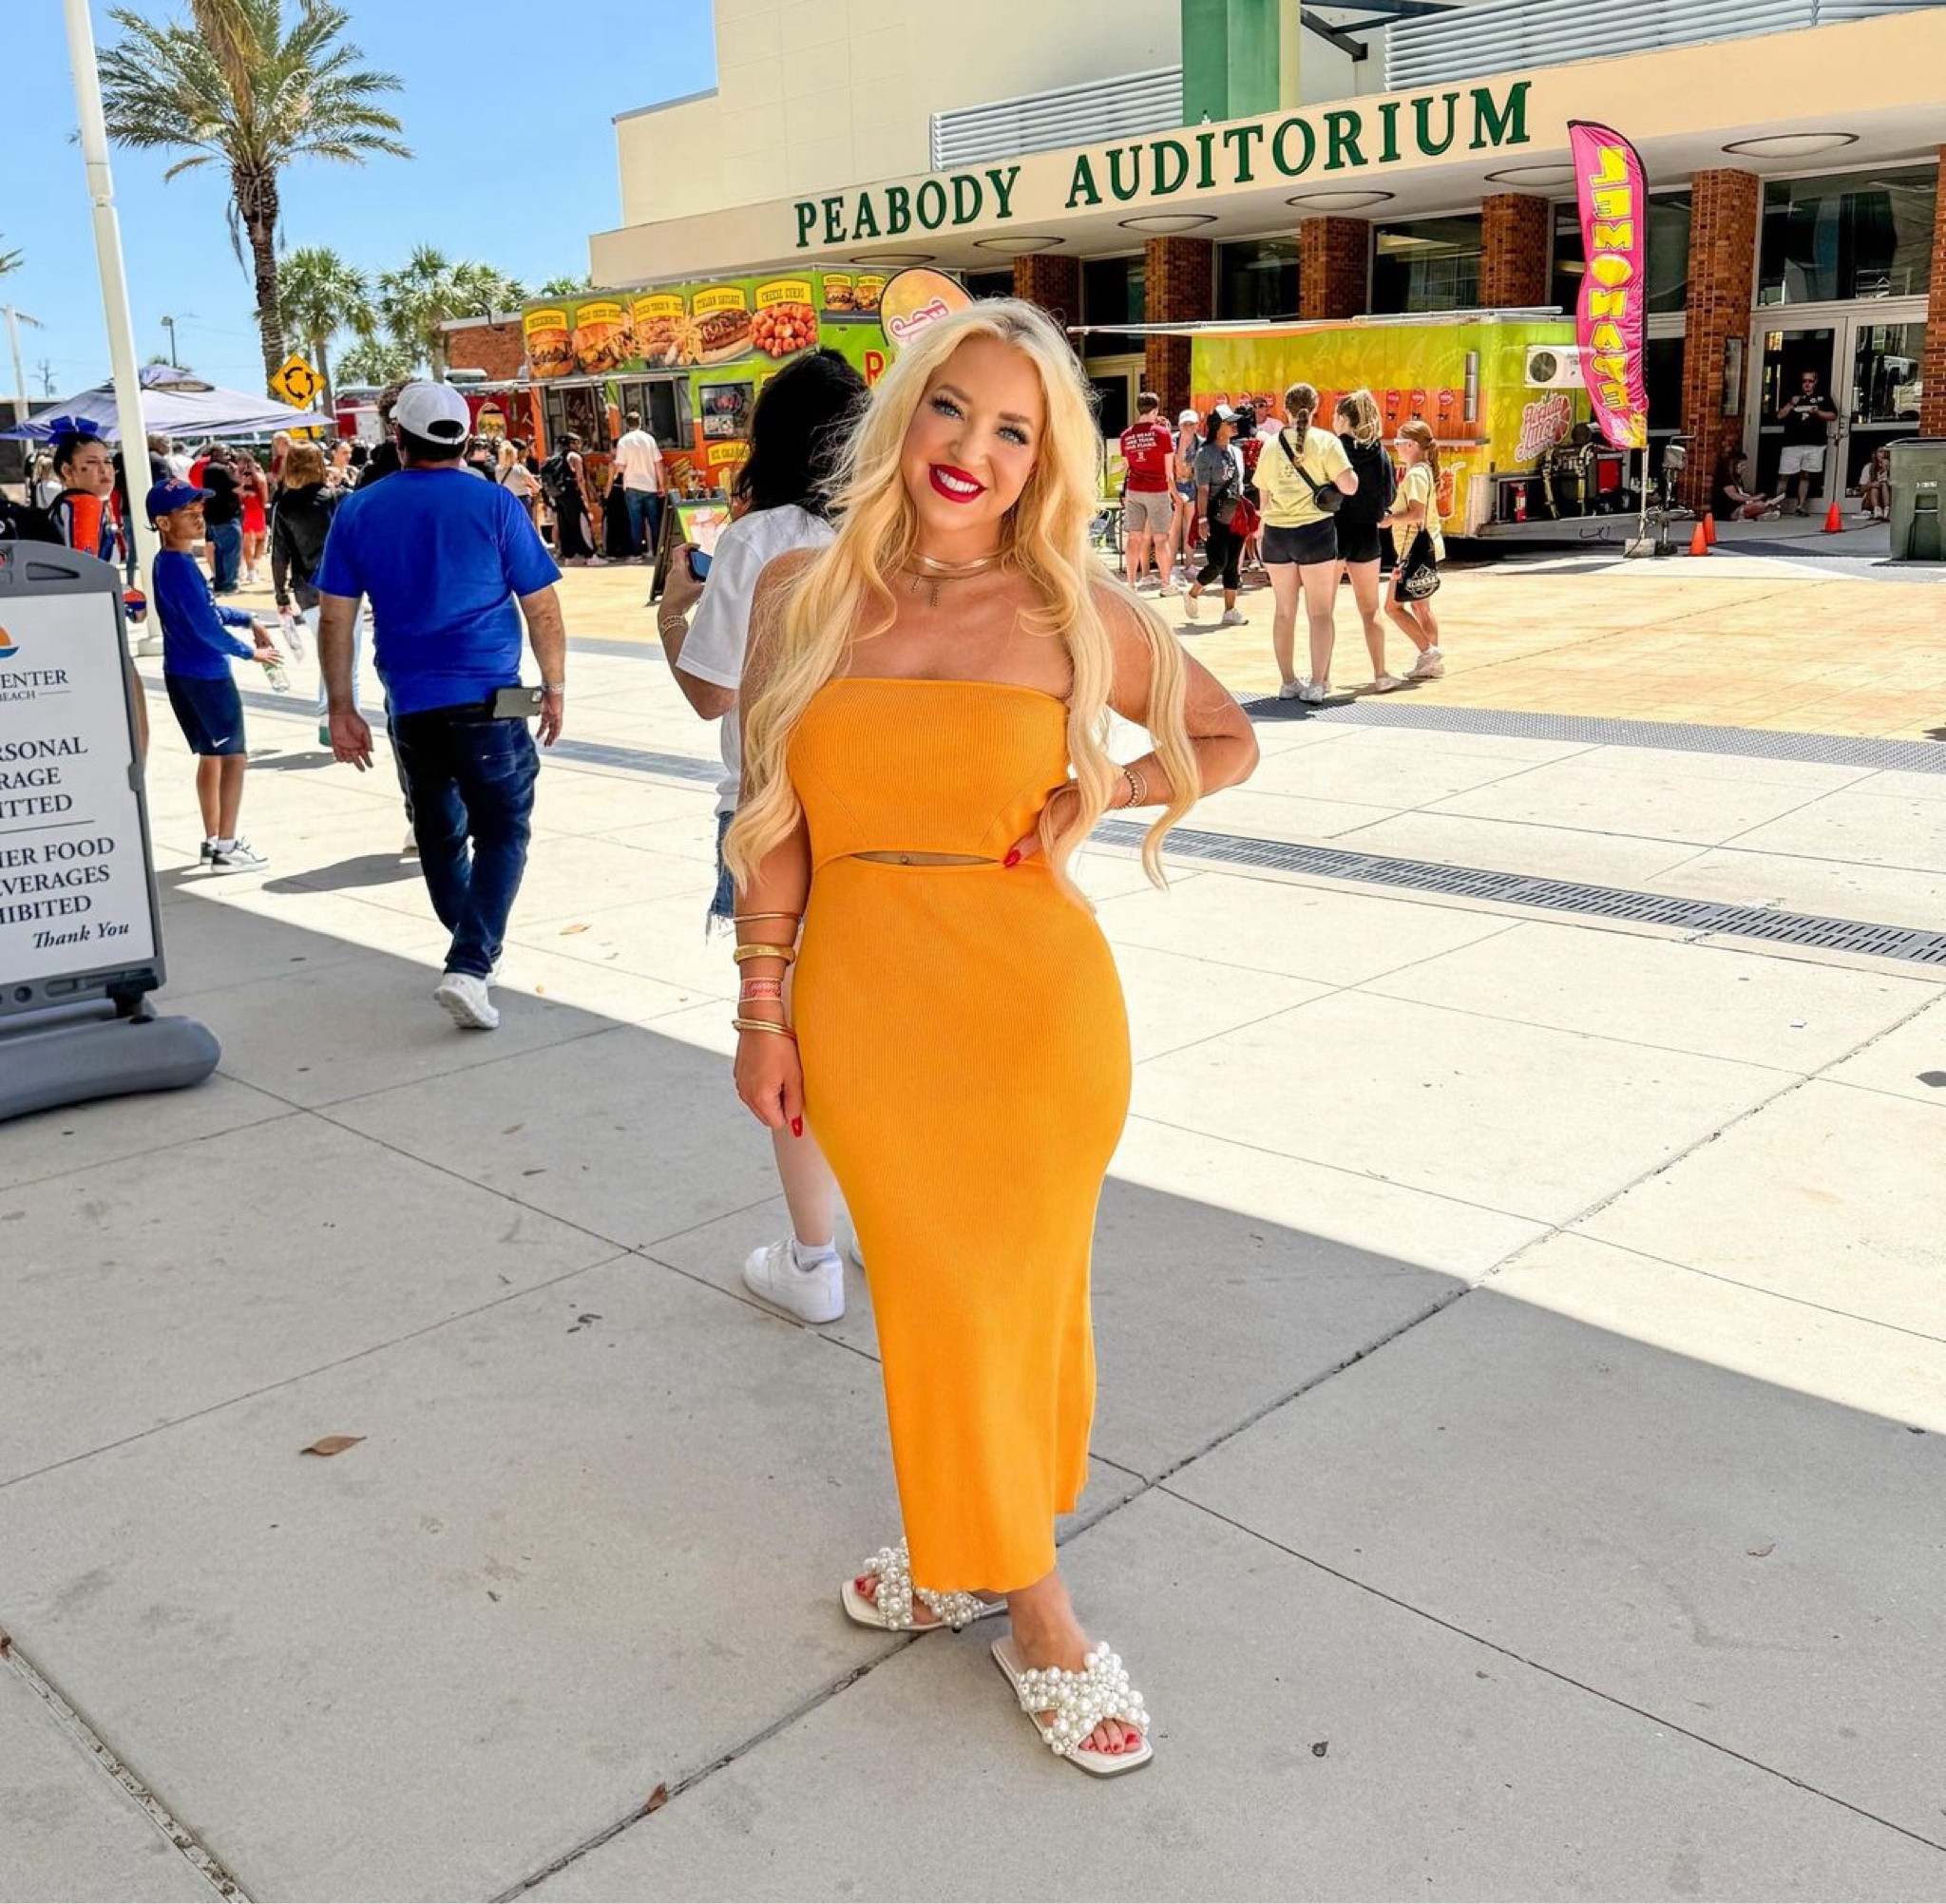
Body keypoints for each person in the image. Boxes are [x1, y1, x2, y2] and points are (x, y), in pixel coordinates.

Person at [723, 300, 1256, 1774]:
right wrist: (760, 1007)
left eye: (1014, 429)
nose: (975, 448)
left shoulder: (1069, 606)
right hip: (868, 1008)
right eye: (954, 409)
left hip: (1034, 1013)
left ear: (1043, 461)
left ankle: (1032, 1606)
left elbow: (1229, 739)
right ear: (906, 414)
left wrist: (1105, 792)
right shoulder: (801, 596)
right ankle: (977, 1547)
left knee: (1005, 1303)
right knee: (941, 1300)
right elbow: (774, 829)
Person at [654, 349, 868, 1324]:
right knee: (871, 1032)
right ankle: (873, 1221)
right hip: (884, 819)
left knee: (787, 1041)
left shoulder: (756, 540)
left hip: (773, 819)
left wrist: (669, 615)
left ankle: (812, 1259)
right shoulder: (900, 533)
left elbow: (711, 696)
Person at [315, 380, 567, 1033]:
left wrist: (341, 707)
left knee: (439, 832)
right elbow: (541, 606)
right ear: (465, 439)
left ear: (398, 439)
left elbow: (335, 622)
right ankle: (472, 960)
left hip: (411, 702)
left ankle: (470, 951)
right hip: (496, 692)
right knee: (505, 827)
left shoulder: (358, 511)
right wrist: (555, 686)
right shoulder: (495, 505)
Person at [147, 477, 281, 871]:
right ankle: (226, 844)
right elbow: (206, 627)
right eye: (186, 510)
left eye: (198, 506)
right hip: (206, 675)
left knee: (212, 756)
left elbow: (205, 613)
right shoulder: (181, 567)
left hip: (182, 671)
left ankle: (214, 840)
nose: (198, 514)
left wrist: (246, 617)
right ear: (163, 522)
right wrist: (250, 652)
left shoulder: (169, 564)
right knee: (234, 756)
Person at [1255, 380, 1358, 702]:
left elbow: (1264, 496)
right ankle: (1316, 683)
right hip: (1315, 532)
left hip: (1276, 535)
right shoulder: (1326, 441)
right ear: (1316, 409)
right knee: (1320, 612)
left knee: (1284, 612)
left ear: (1285, 410)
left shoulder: (1271, 445)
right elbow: (1350, 486)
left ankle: (1288, 681)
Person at [49, 428, 149, 759]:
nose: (105, 470)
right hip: (92, 629)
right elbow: (86, 570)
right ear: (67, 471)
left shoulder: (71, 506)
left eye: (108, 462)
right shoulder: (84, 505)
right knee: (132, 721)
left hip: (76, 627)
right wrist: (130, 598)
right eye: (91, 463)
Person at [271, 442, 358, 743]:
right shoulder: (334, 499)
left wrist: (281, 596)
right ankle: (339, 723)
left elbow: (279, 554)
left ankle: (328, 717)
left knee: (328, 654)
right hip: (343, 588)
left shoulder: (284, 506)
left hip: (306, 589)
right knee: (349, 659)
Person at [1332, 390, 1401, 692]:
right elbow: (1389, 496)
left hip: (1333, 532)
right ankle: (1381, 672)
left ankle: (1321, 676)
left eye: (1336, 415)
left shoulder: (1333, 449)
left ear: (1344, 419)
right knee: (1370, 609)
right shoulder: (1379, 452)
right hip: (1367, 535)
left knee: (1323, 611)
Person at [1380, 418, 1446, 680]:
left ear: (1410, 445)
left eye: (1398, 442)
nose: (1396, 447)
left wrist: (1391, 519)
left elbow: (1416, 514)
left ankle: (1429, 652)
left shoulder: (1417, 474)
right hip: (1426, 546)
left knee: (1393, 607)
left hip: (1412, 549)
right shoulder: (1424, 471)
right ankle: (1430, 659)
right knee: (1421, 606)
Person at [1183, 407, 1248, 627]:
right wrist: (1202, 519)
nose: (1234, 425)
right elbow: (1202, 489)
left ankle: (1230, 610)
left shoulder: (1236, 452)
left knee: (1232, 564)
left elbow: (1239, 483)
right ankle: (1193, 592)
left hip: (1236, 512)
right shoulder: (1205, 454)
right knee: (1218, 562)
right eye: (1229, 422)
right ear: (1217, 428)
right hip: (1213, 513)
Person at [1116, 391, 1174, 594]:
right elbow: (1169, 470)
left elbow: (1127, 465)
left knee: (1134, 538)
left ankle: (1131, 583)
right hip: (1157, 489)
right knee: (1161, 539)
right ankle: (1166, 584)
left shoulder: (1126, 435)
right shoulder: (1162, 433)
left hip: (1134, 489)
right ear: (1155, 410)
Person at [1776, 368, 1836, 516]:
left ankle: (1800, 506)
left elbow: (1833, 415)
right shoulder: (1792, 395)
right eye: (1804, 381)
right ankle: (1776, 506)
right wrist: (1791, 403)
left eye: (1810, 381)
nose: (1807, 384)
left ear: (1816, 382)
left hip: (1814, 443)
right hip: (1792, 442)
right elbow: (1779, 416)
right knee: (1784, 475)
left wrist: (1817, 412)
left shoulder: (1822, 397)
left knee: (1806, 475)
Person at [613, 409, 665, 561]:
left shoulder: (623, 441)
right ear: (641, 422)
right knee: (654, 521)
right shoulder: (649, 439)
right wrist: (661, 484)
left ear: (627, 424)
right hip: (650, 485)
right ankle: (656, 551)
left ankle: (637, 553)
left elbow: (621, 467)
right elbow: (658, 463)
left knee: (635, 522)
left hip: (632, 486)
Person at [543, 430, 599, 563]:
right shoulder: (574, 457)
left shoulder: (552, 459)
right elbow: (580, 479)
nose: (579, 445)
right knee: (581, 524)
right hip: (573, 496)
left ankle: (570, 556)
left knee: (565, 526)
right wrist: (586, 498)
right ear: (572, 443)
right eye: (578, 442)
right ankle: (590, 556)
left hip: (559, 497)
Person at [200, 447, 244, 592]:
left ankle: (221, 582)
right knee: (231, 552)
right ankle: (229, 584)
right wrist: (236, 471)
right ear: (215, 454)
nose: (228, 457)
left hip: (213, 516)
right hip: (227, 516)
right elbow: (238, 488)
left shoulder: (208, 469)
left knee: (220, 552)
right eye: (225, 454)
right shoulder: (221, 470)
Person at [1170, 407, 1200, 582]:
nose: (1189, 427)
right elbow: (1171, 466)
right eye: (1185, 424)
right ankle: (1172, 566)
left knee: (1190, 528)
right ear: (1180, 425)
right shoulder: (1172, 441)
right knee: (1174, 529)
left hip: (1193, 486)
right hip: (1175, 485)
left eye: (1192, 424)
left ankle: (1189, 565)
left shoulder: (1201, 443)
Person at [1713, 449, 1779, 522]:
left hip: (1740, 507)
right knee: (1760, 505)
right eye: (1741, 465)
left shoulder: (1737, 478)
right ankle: (1759, 514)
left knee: (1771, 505)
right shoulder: (1725, 477)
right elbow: (1734, 496)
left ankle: (1762, 514)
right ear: (1733, 464)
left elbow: (1742, 494)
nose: (1743, 468)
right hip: (1729, 511)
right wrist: (1754, 498)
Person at [238, 450, 271, 585]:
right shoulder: (259, 476)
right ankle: (253, 568)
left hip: (245, 510)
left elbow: (237, 495)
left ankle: (250, 569)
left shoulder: (237, 477)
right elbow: (265, 497)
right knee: (260, 539)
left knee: (246, 541)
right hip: (257, 509)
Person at [1859, 443, 1891, 523]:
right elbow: (1861, 490)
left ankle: (1887, 511)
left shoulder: (1892, 467)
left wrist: (1888, 470)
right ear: (1875, 454)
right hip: (1870, 502)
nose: (1883, 454)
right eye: (1880, 451)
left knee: (1883, 484)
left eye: (1885, 452)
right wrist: (1871, 484)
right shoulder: (1868, 467)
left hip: (1886, 498)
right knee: (1875, 487)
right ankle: (1877, 510)